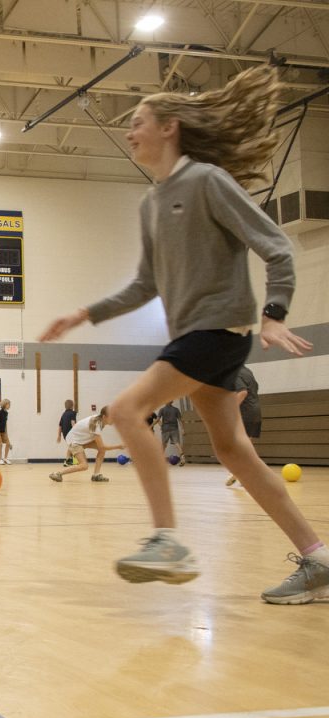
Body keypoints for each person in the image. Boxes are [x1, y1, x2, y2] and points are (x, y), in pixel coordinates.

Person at [39, 65, 328, 604]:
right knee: (234, 451)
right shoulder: (151, 202)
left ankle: (167, 541)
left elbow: (277, 247)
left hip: (217, 330)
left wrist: (275, 313)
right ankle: (317, 559)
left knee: (126, 412)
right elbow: (145, 284)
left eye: (139, 122)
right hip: (200, 337)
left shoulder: (207, 182)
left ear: (169, 127)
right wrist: (84, 312)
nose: (130, 132)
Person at [49, 407, 122, 482]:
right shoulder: (96, 424)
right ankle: (58, 473)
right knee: (84, 466)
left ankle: (96, 475)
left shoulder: (99, 420)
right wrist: (119, 446)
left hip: (81, 440)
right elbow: (102, 446)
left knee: (102, 450)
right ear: (104, 417)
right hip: (74, 441)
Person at [226, 365, 261, 487]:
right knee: (247, 444)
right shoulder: (247, 371)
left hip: (245, 412)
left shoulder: (236, 372)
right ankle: (247, 474)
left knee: (239, 444)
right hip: (255, 410)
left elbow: (242, 392)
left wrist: (230, 408)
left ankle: (241, 473)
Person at [158, 399, 186, 465]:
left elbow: (157, 419)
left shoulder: (162, 409)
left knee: (164, 445)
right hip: (174, 429)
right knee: (177, 443)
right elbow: (180, 420)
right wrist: (182, 429)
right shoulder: (176, 409)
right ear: (172, 402)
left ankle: (159, 460)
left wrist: (152, 425)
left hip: (165, 429)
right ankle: (182, 457)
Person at [57, 399, 78, 465]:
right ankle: (67, 461)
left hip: (65, 433)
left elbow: (60, 426)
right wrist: (76, 432)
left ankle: (72, 461)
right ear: (72, 406)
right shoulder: (73, 413)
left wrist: (59, 436)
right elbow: (73, 423)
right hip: (70, 433)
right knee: (72, 446)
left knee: (72, 446)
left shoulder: (63, 414)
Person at [0, 399, 12, 464]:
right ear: (5, 404)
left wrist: (7, 434)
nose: (9, 405)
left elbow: (5, 423)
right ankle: (0, 459)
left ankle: (5, 458)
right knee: (0, 444)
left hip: (3, 431)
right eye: (8, 404)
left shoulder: (6, 413)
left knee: (8, 444)